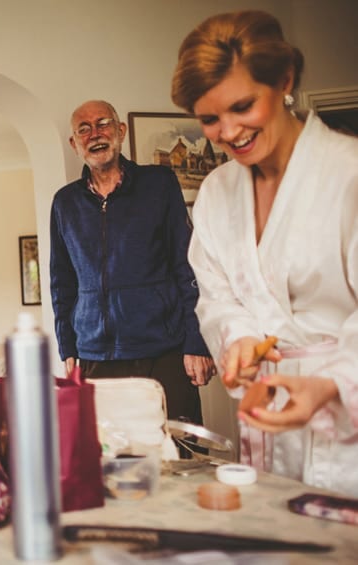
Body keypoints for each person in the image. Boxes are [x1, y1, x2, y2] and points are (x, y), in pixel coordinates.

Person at [172, 10, 358, 494]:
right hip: (265, 415)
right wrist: (237, 341)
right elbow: (216, 297)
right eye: (209, 119)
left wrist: (330, 385)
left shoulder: (349, 175)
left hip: (344, 407)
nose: (229, 131)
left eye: (243, 107)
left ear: (285, 80)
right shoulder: (215, 191)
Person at [49, 100, 215, 425]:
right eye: (84, 129)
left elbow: (189, 265)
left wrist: (198, 341)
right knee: (111, 460)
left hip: (165, 350)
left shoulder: (159, 183)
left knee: (180, 456)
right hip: (95, 355)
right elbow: (62, 282)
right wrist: (68, 348)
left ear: (120, 131)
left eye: (103, 124)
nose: (95, 134)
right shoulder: (64, 203)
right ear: (74, 143)